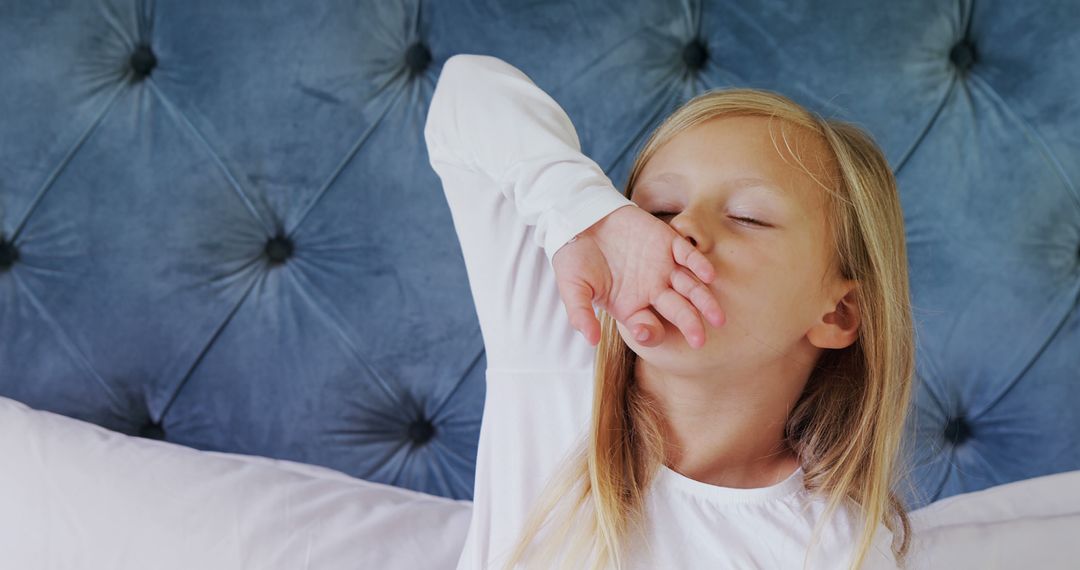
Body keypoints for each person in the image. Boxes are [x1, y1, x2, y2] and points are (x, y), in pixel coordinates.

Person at [424, 53, 915, 570]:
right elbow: (466, 91)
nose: (681, 228)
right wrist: (591, 218)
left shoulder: (836, 549)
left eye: (747, 218)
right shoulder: (561, 339)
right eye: (657, 211)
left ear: (837, 313)